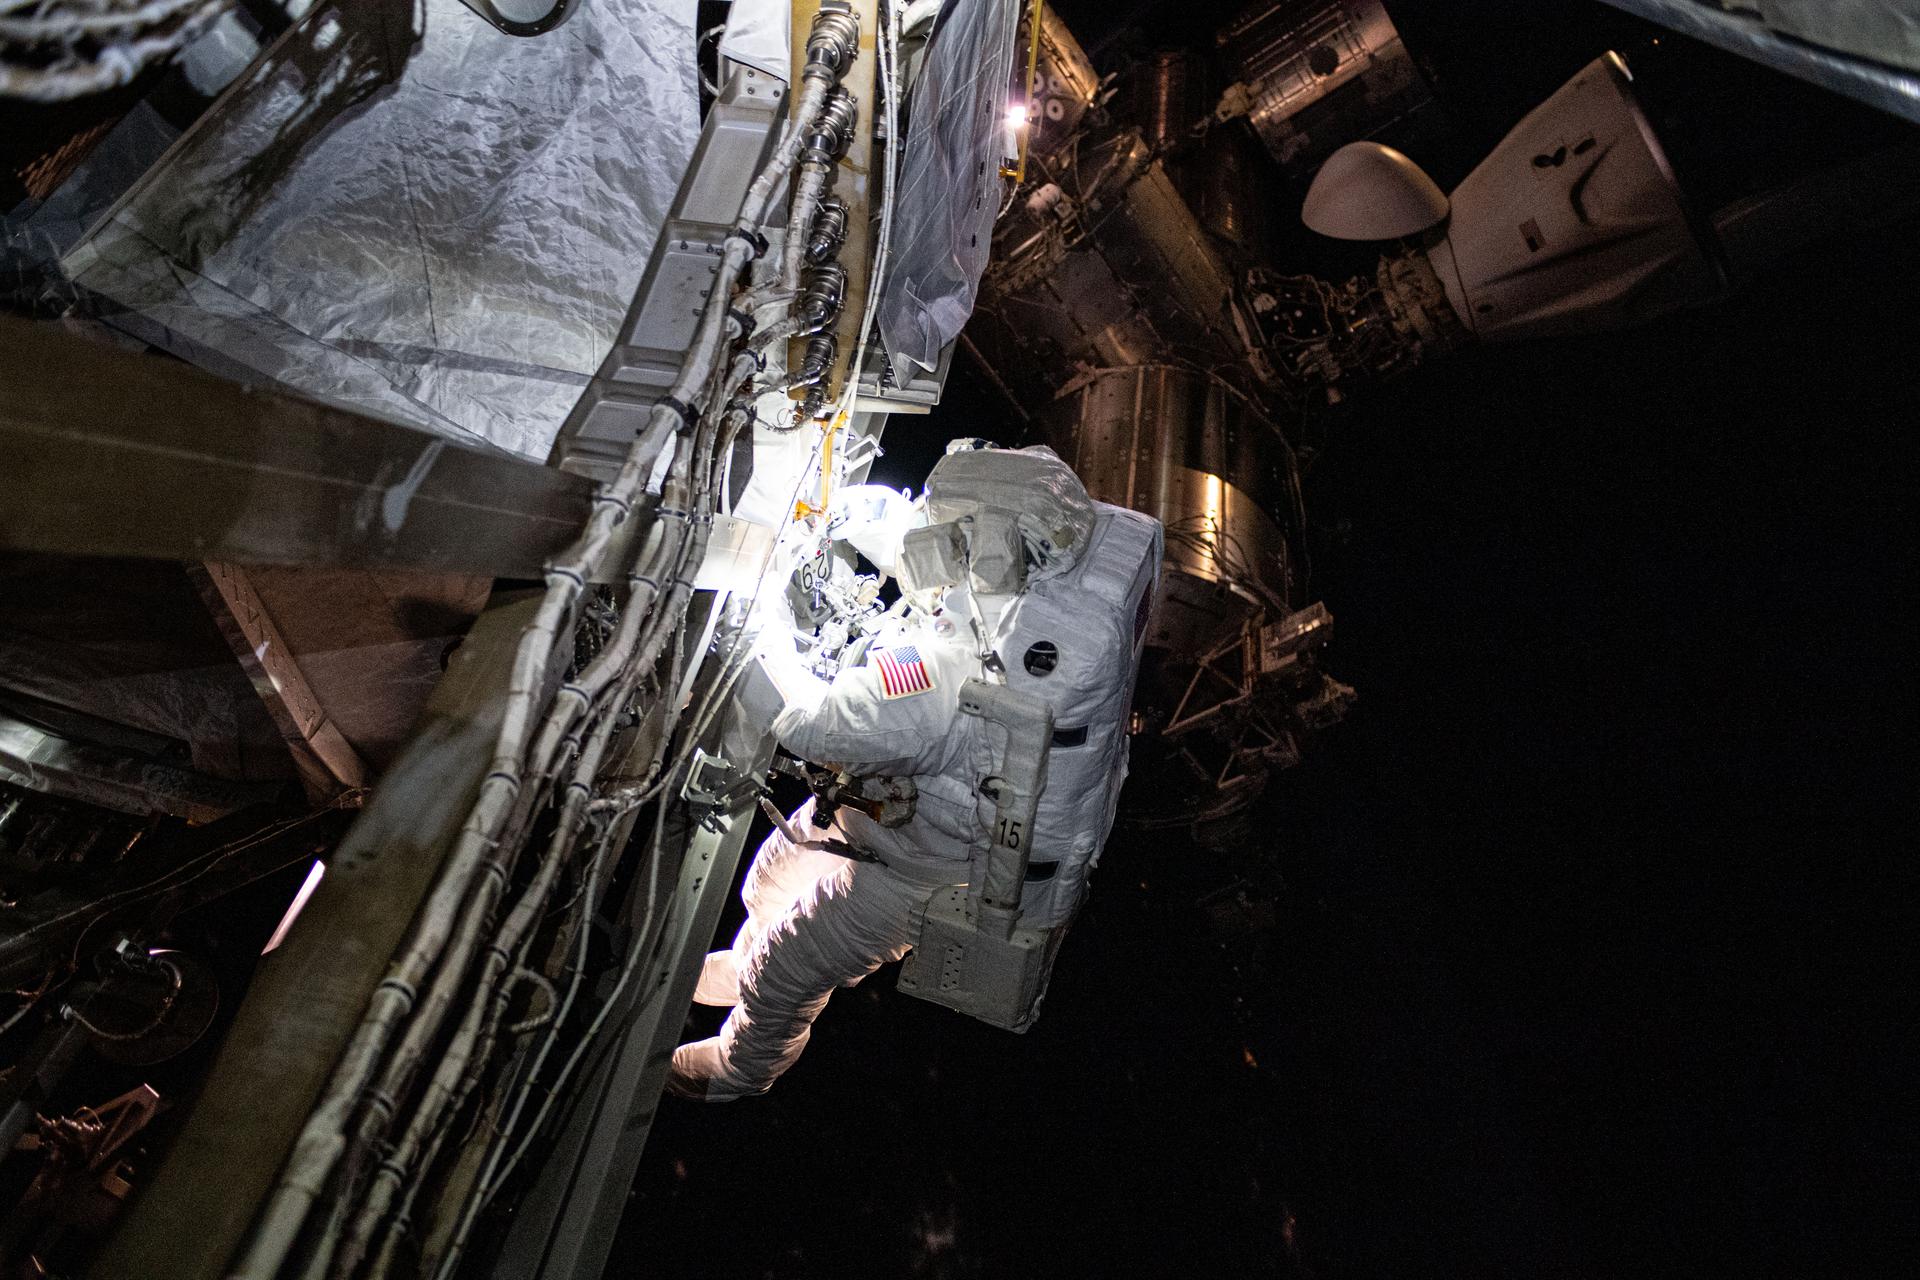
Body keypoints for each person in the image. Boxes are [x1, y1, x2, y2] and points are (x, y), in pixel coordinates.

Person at [667, 443, 1158, 1100]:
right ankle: (741, 960)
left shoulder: (953, 678)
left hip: (916, 877)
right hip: (888, 814)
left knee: (789, 966)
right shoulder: (1037, 574)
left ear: (981, 552)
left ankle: (741, 1069)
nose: (930, 531)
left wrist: (761, 624)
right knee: (769, 884)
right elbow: (922, 542)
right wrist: (843, 512)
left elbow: (809, 725)